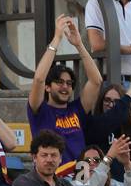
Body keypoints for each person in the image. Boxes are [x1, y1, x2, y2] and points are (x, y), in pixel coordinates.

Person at [27, 14, 103, 162]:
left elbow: (96, 81)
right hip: (55, 177)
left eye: (69, 83)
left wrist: (79, 44)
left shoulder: (76, 109)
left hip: (82, 177)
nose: (65, 87)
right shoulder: (40, 111)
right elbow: (38, 79)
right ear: (48, 87)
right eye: (60, 82)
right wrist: (57, 39)